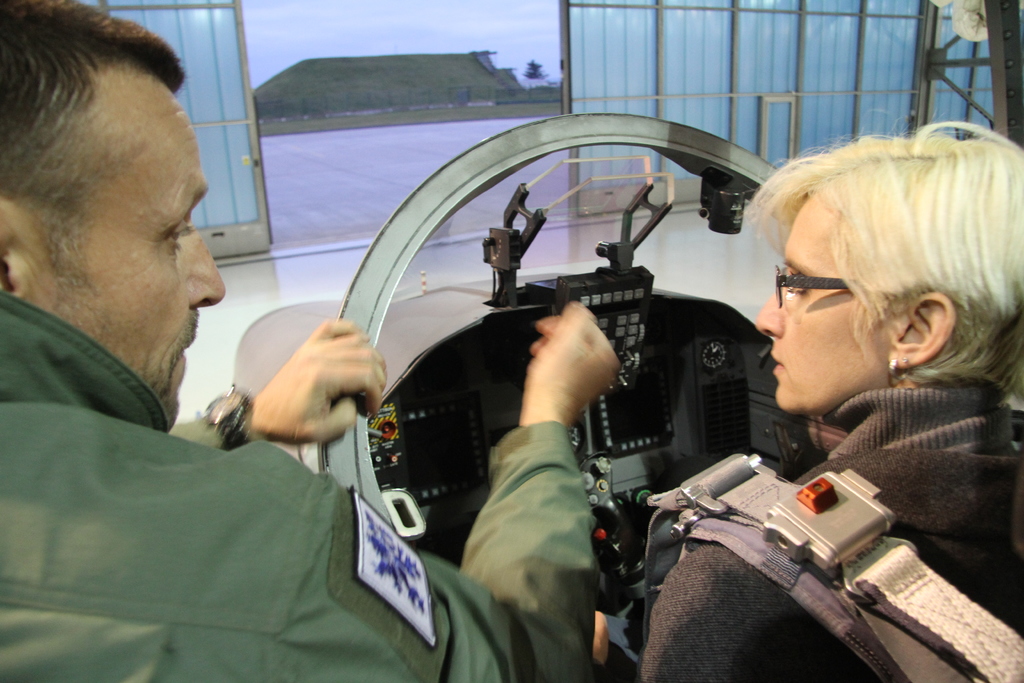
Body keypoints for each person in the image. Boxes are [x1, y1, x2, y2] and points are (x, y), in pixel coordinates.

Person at [0, 1, 619, 680]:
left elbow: (91, 477)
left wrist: (241, 424)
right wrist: (545, 424)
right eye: (171, 232)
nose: (212, 284)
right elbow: (527, 660)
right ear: (8, 262)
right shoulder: (273, 553)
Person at [533, 123, 1024, 682]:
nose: (767, 318)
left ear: (915, 329)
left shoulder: (739, 590)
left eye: (798, 284)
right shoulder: (1004, 516)